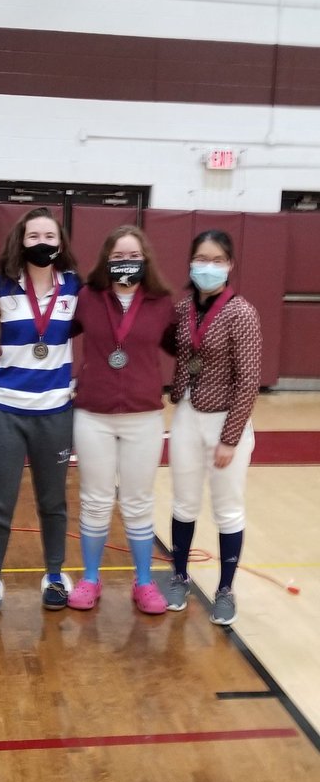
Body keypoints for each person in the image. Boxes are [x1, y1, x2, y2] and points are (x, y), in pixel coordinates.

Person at [0, 207, 81, 616]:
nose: (41, 243)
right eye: (33, 236)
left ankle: (54, 574)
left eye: (49, 236)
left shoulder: (75, 287)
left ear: (60, 243)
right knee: (0, 502)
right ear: (21, 241)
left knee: (53, 501)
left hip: (55, 411)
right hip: (3, 409)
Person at [67, 225, 175, 614]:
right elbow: (55, 333)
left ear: (145, 260)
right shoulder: (87, 298)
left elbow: (184, 348)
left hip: (144, 417)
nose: (125, 263)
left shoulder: (163, 303)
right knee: (95, 501)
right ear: (105, 261)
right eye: (117, 257)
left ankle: (144, 582)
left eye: (132, 257)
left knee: (138, 502)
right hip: (93, 414)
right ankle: (91, 578)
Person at [166, 229, 262, 626]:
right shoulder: (183, 306)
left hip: (227, 422)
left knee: (228, 510)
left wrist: (230, 439)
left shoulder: (241, 312)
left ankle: (225, 589)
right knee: (184, 503)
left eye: (217, 260)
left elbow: (250, 380)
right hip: (188, 415)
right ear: (190, 262)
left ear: (230, 265)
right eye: (201, 259)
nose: (208, 267)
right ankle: (178, 577)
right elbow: (175, 349)